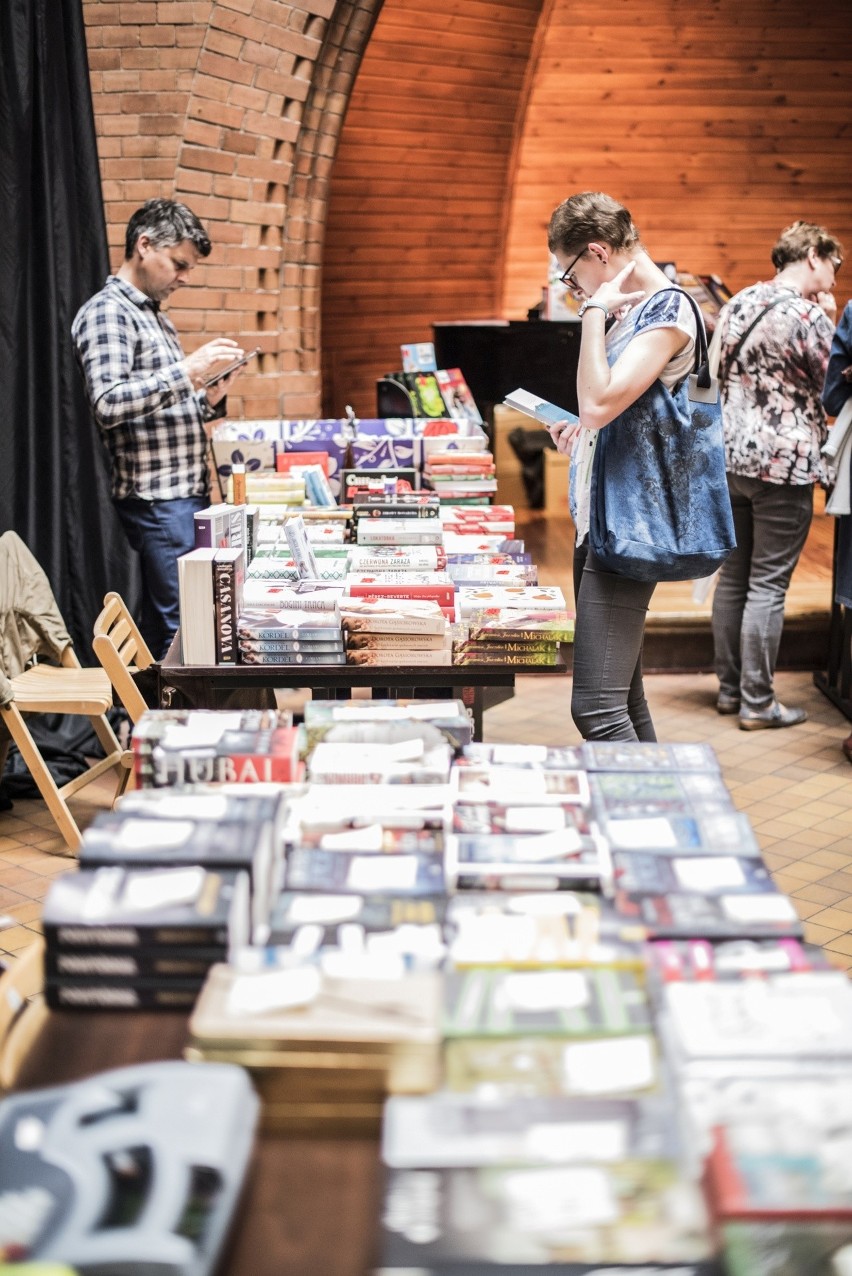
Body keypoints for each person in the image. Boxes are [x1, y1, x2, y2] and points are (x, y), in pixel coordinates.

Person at [546, 191, 700, 741]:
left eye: (571, 276)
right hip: (604, 515)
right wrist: (582, 438)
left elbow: (599, 401)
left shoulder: (668, 308)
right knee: (623, 700)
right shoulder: (629, 313)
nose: (574, 290)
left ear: (598, 252)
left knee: (596, 709)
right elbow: (605, 415)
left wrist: (591, 312)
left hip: (632, 523)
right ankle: (655, 813)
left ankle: (642, 825)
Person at [72, 198, 248, 659]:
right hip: (157, 498)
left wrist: (208, 396)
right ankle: (182, 729)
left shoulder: (153, 314)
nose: (185, 277)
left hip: (181, 492)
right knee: (185, 627)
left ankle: (156, 720)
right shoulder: (108, 312)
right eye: (179, 264)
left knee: (178, 621)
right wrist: (188, 372)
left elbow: (162, 403)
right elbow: (108, 402)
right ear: (143, 245)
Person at [710, 221, 841, 729]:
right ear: (813, 255)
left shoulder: (738, 302)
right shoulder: (808, 315)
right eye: (834, 265)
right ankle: (759, 703)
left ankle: (728, 691)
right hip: (783, 465)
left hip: (730, 459)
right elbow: (830, 388)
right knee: (768, 584)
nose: (834, 277)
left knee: (734, 576)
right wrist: (829, 320)